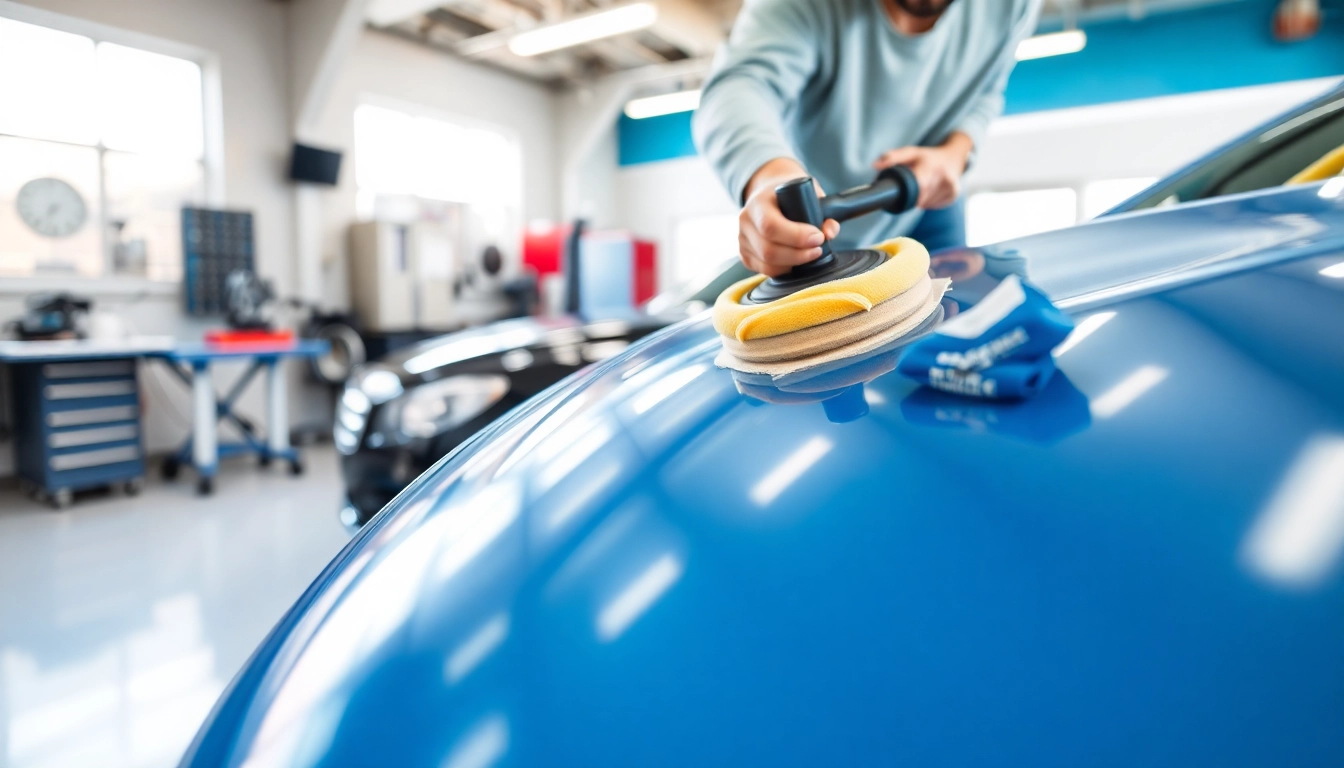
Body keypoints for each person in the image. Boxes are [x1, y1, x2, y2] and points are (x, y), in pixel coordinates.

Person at [693, 0, 1041, 276]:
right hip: (813, 228)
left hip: (927, 202)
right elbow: (738, 87)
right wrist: (768, 175)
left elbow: (986, 93)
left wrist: (955, 152)